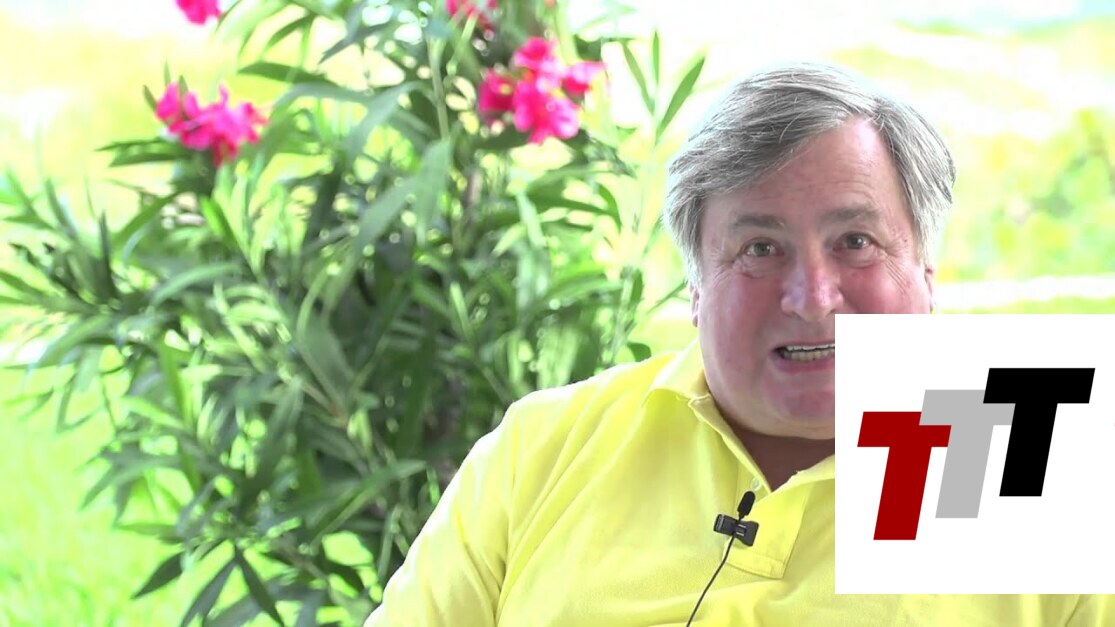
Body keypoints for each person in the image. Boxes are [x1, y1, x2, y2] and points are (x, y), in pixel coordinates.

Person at [364, 62, 1109, 625]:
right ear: (694, 286)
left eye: (855, 241)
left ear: (925, 269)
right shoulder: (542, 447)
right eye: (759, 248)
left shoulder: (1038, 457)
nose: (812, 296)